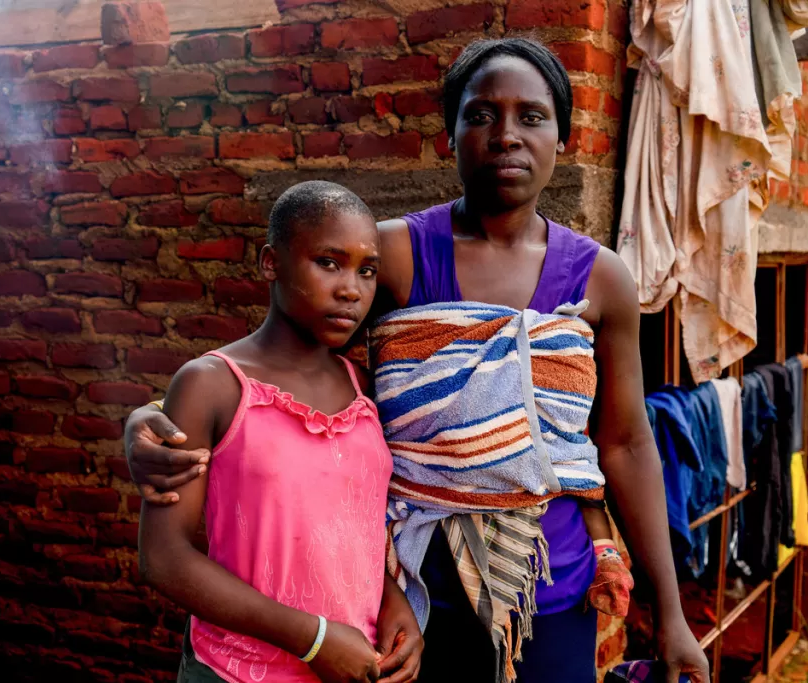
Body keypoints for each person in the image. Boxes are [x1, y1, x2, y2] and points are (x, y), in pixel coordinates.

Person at [127, 38, 709, 683]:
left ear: (563, 139)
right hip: (413, 593)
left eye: (532, 117)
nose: (506, 135)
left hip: (550, 588)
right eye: (481, 114)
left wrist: (672, 614)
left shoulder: (601, 280)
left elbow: (625, 443)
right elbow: (283, 366)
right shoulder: (395, 256)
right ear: (450, 136)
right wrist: (154, 415)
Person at [138, 181, 422, 683]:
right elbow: (164, 558)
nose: (351, 289)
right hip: (238, 671)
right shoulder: (213, 384)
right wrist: (312, 640)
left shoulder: (364, 389)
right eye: (328, 262)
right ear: (271, 262)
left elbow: (345, 533)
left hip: (354, 668)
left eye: (367, 270)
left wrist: (394, 603)